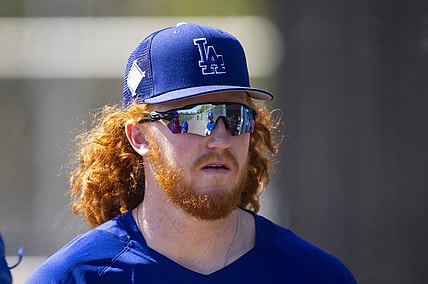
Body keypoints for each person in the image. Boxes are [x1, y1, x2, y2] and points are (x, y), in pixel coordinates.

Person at [26, 23, 357, 283]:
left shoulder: (315, 275)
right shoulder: (73, 278)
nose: (221, 140)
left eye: (235, 116)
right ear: (139, 136)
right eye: (196, 118)